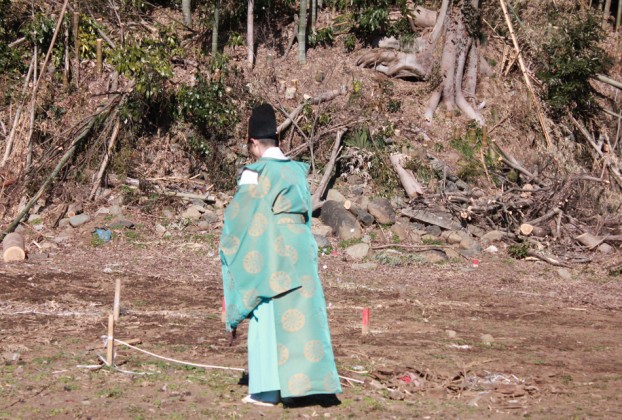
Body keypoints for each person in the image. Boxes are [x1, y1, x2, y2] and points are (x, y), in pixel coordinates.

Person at [219, 103, 342, 407]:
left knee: (267, 309)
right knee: (303, 316)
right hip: (302, 245)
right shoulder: (296, 170)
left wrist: (231, 249)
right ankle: (311, 385)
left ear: (253, 144)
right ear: (277, 141)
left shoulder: (254, 173)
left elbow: (241, 220)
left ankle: (266, 390)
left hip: (272, 248)